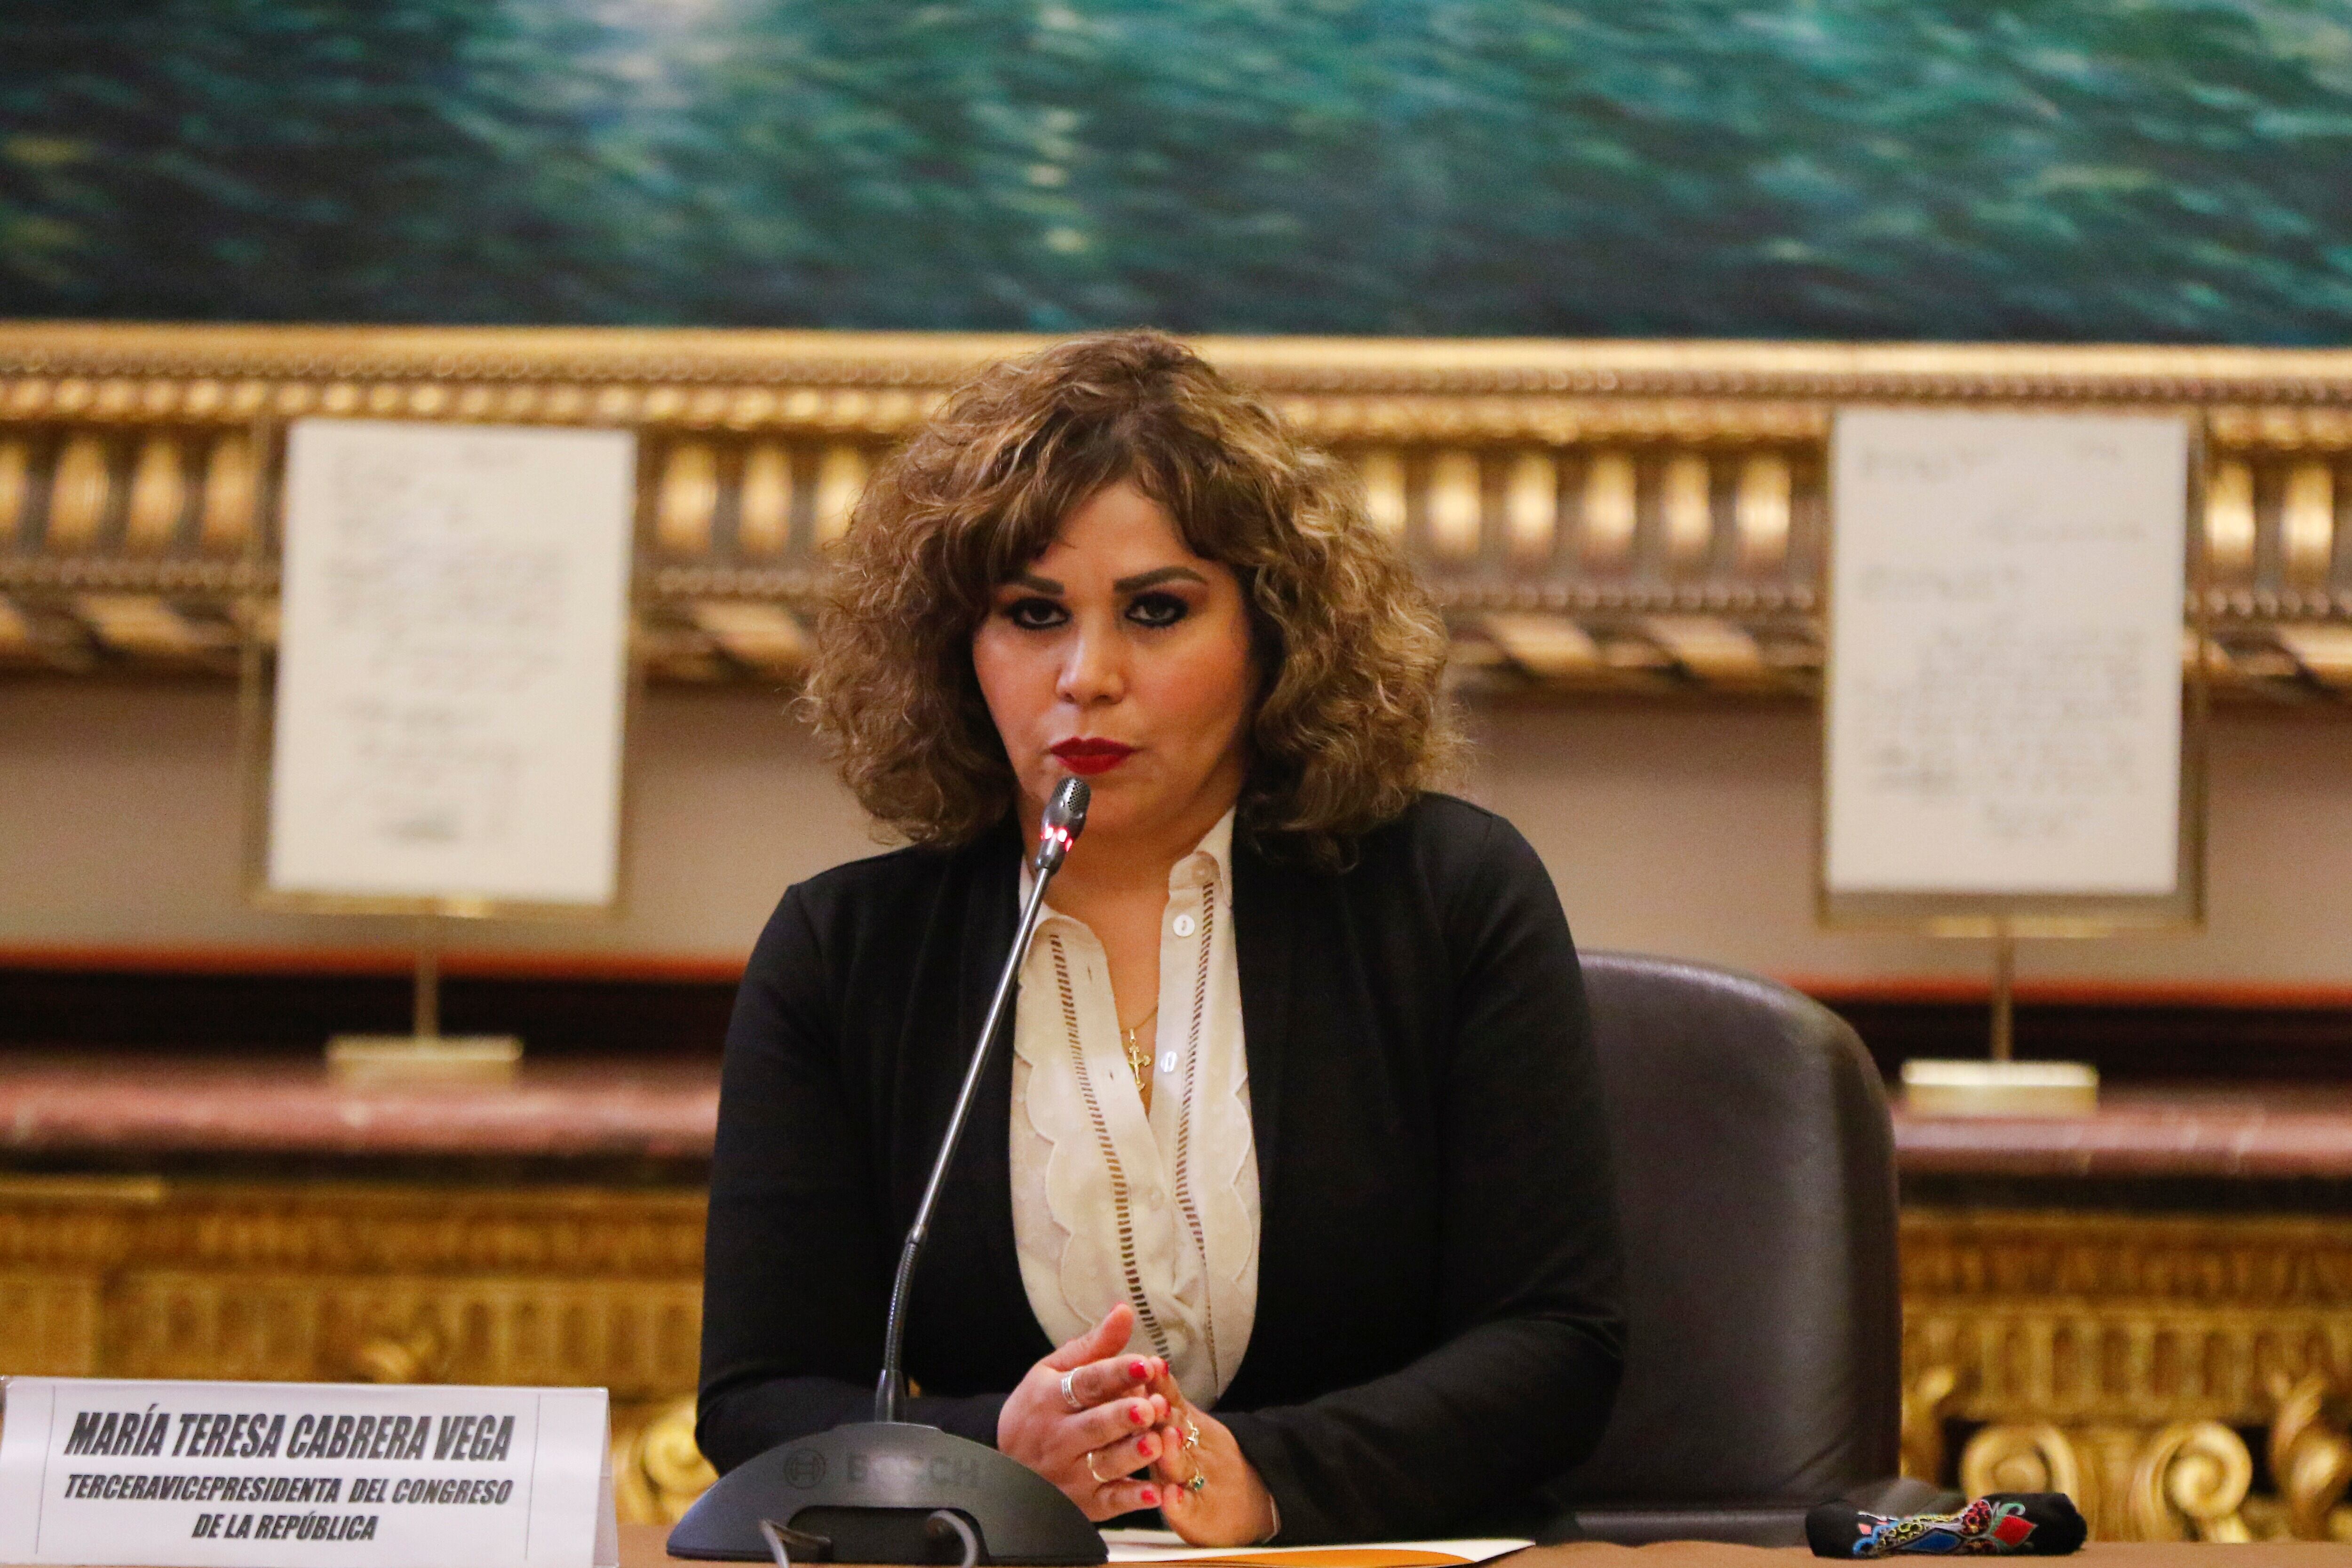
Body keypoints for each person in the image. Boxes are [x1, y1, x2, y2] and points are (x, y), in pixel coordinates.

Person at [696, 330, 1625, 1546]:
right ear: (957, 651)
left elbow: (1560, 1342)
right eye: (1033, 614)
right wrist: (995, 1461)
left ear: (1271, 635)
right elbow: (759, 1398)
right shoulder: (846, 952)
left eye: (1157, 611)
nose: (1088, 676)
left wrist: (1262, 1476)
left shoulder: (1447, 897)